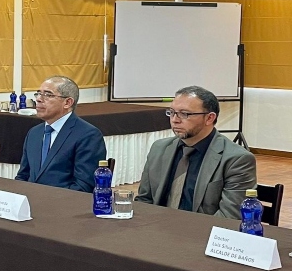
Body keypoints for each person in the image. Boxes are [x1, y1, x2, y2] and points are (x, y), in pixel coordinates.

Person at [136, 85, 257, 218]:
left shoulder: (237, 159)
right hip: (157, 226)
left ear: (209, 118)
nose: (175, 120)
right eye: (172, 112)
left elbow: (229, 216)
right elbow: (144, 200)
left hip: (203, 229)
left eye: (184, 114)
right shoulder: (159, 148)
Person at [15, 75, 106, 192]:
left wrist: (45, 199)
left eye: (48, 95)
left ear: (67, 102)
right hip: (32, 199)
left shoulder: (88, 135)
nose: (38, 99)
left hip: (64, 201)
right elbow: (23, 176)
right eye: (38, 94)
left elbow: (83, 186)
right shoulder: (34, 133)